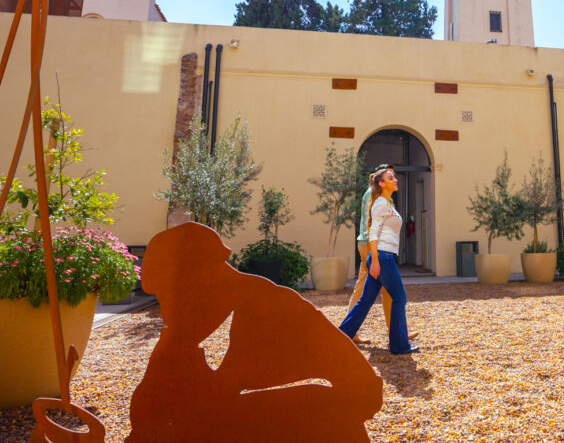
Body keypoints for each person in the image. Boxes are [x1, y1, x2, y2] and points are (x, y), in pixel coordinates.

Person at [127, 223, 382, 442]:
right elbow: (148, 408)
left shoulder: (270, 308)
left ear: (203, 275)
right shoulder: (195, 321)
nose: (167, 307)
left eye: (169, 294)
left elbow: (365, 391)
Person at [338, 167, 420, 355]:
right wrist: (374, 261)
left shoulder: (387, 202)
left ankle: (341, 336)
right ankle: (399, 346)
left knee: (365, 300)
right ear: (382, 183)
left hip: (383, 256)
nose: (396, 180)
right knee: (399, 297)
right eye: (391, 178)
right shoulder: (380, 204)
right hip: (382, 257)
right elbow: (373, 232)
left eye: (395, 177)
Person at [346, 165, 394, 345]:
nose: (393, 178)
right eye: (390, 175)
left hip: (367, 244)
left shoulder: (373, 192)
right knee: (385, 288)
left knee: (373, 288)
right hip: (373, 245)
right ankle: (394, 331)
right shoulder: (375, 194)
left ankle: (349, 331)